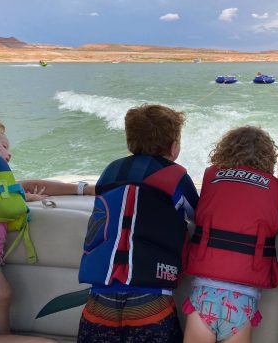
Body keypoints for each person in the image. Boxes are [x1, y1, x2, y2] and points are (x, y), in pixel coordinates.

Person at [76, 104, 199, 343]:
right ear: (174, 147)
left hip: (99, 300)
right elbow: (197, 214)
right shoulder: (176, 176)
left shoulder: (110, 171)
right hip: (151, 300)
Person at [0, 121, 94, 336]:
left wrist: (83, 189)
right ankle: (3, 338)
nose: (9, 154)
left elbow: (21, 187)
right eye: (4, 146)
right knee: (2, 296)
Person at [182, 125, 278, 343]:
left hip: (204, 294)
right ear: (268, 158)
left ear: (225, 150)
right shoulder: (275, 188)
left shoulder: (212, 176)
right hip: (242, 301)